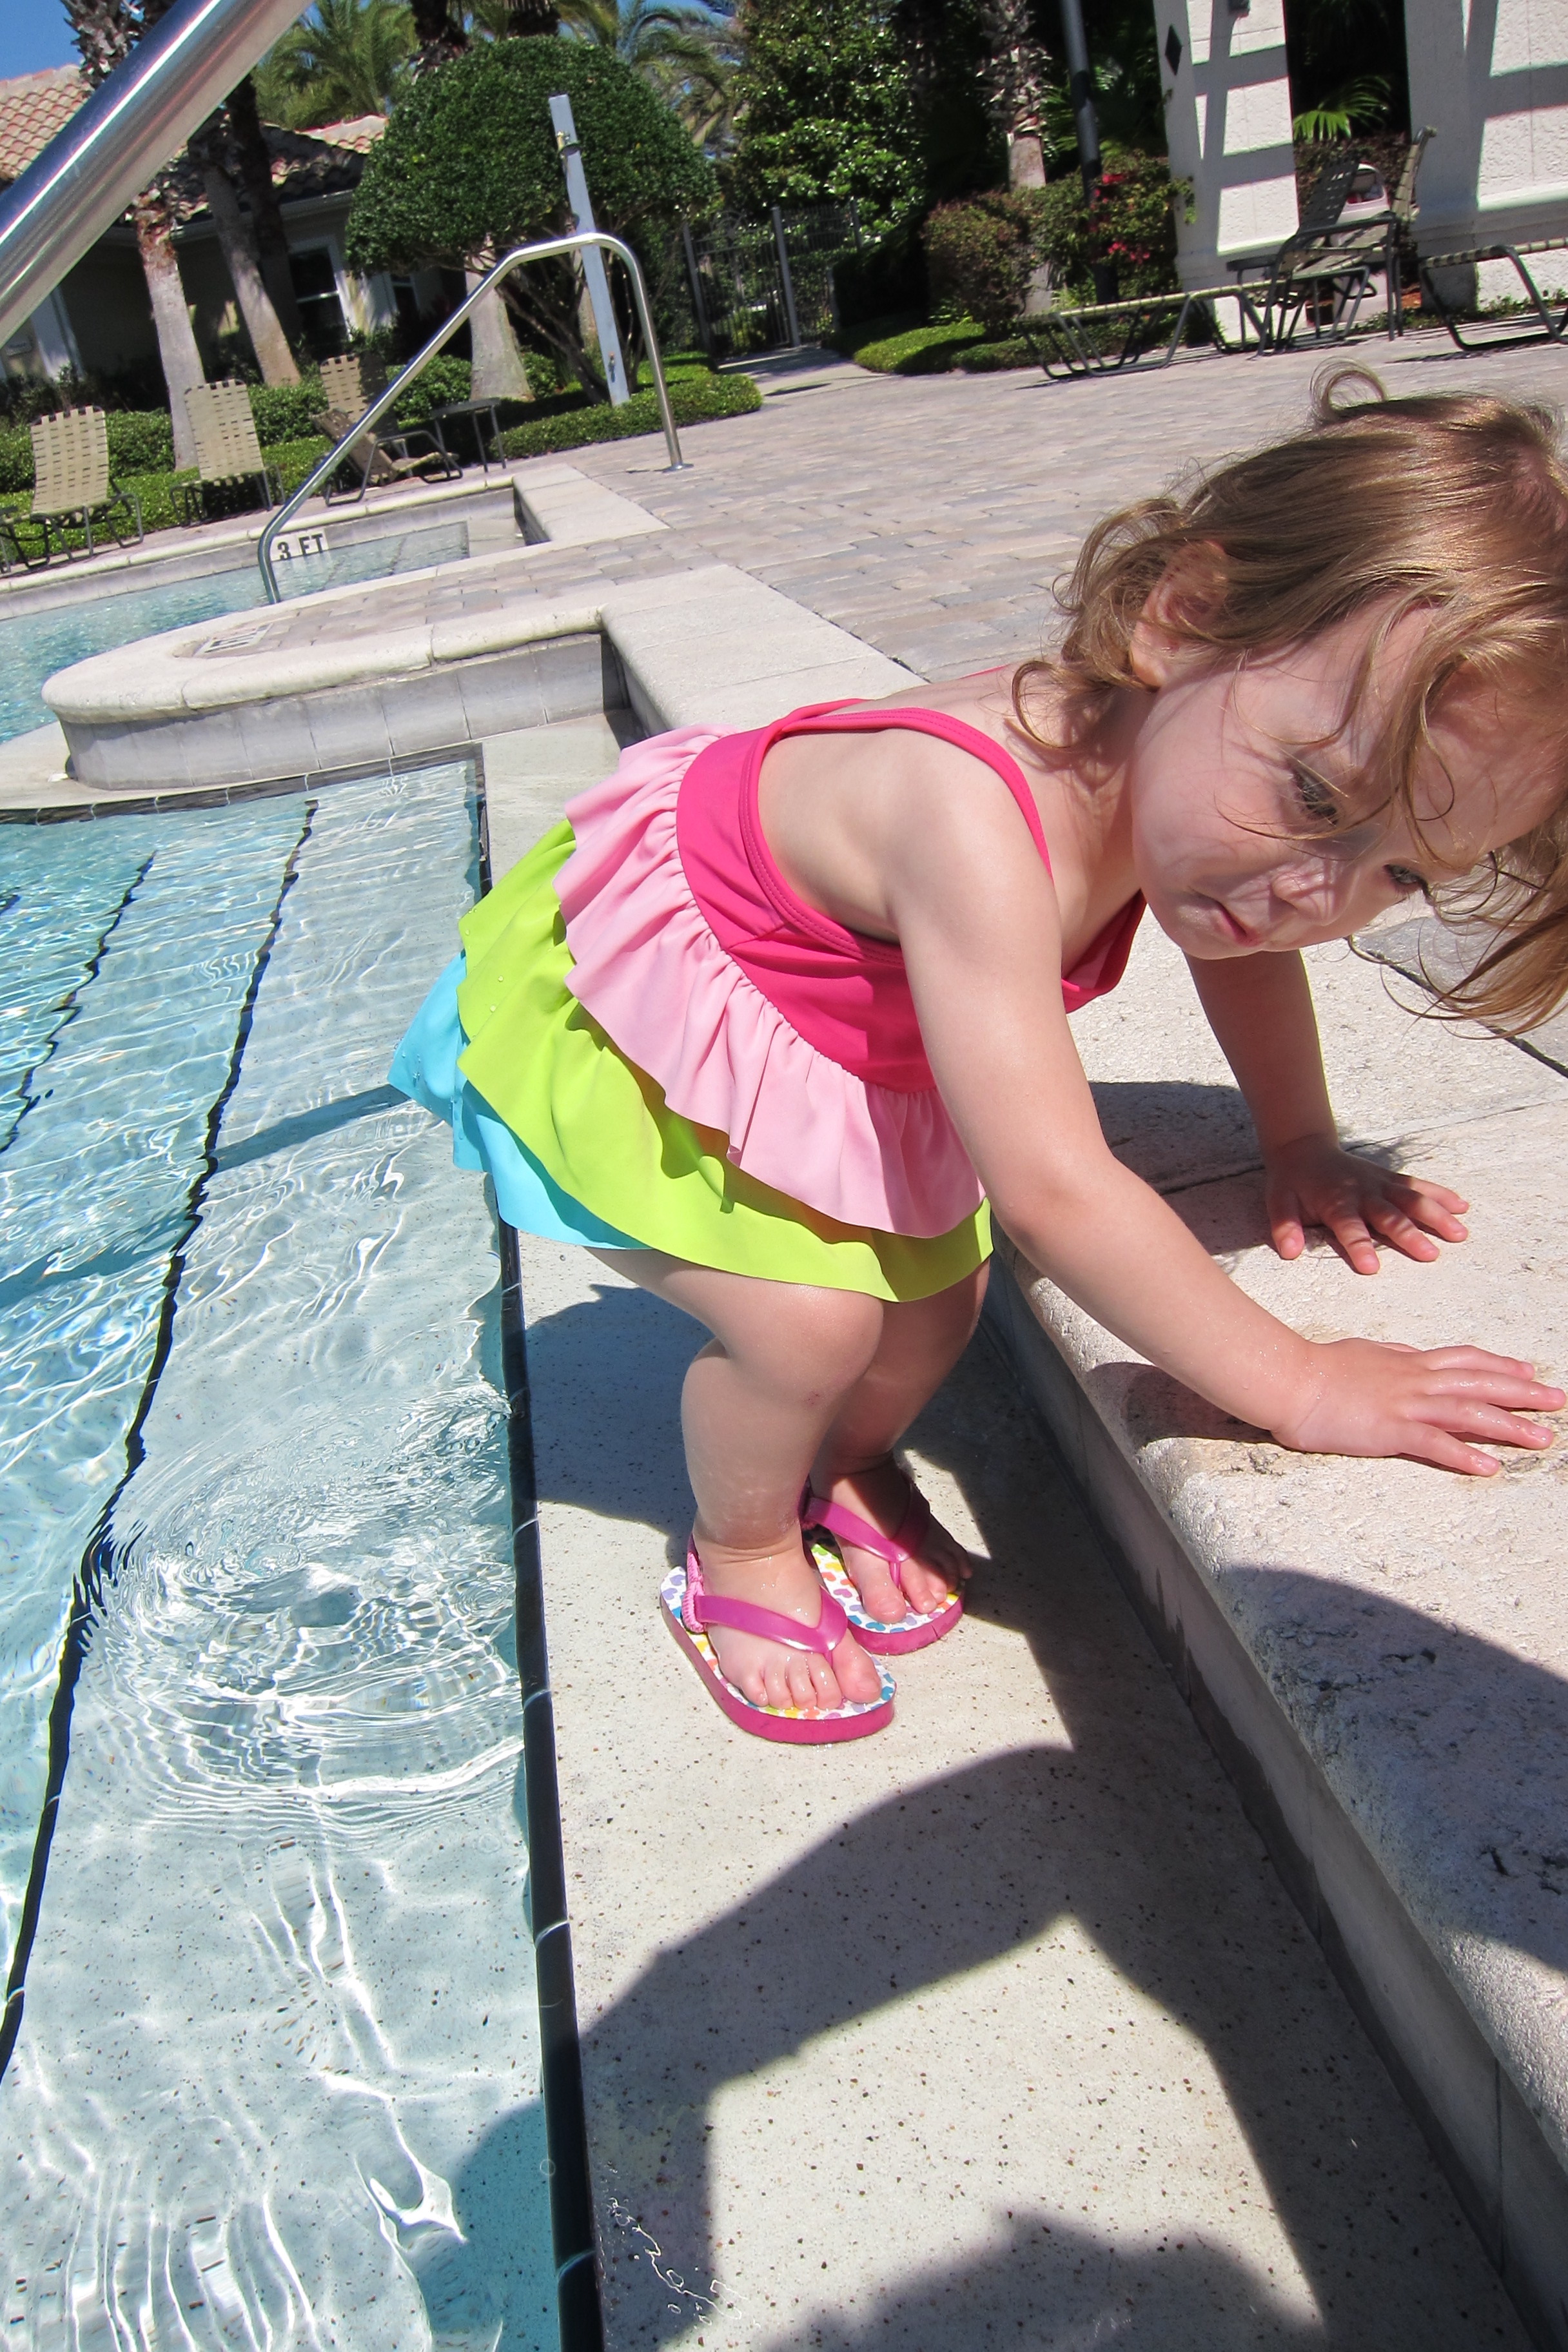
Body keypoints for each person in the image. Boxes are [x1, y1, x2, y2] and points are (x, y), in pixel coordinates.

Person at [391, 373, 1568, 1745]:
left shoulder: (1202, 789)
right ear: (1182, 618)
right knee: (809, 1327)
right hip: (629, 1013)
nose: (1322, 892)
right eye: (1315, 795)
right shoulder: (971, 817)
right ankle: (739, 1544)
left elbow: (1251, 951)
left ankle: (841, 1459)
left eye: (1403, 872)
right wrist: (1299, 1383)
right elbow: (1055, 1192)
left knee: (938, 1302)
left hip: (823, 1005)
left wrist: (1298, 1142)